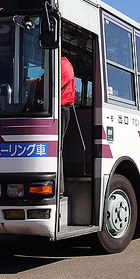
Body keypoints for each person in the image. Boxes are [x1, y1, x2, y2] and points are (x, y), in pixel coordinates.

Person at [60, 56, 75, 196]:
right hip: (63, 109)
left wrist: (32, 83)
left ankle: (58, 188)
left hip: (61, 108)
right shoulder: (66, 64)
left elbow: (50, 84)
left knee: (56, 149)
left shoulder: (62, 64)